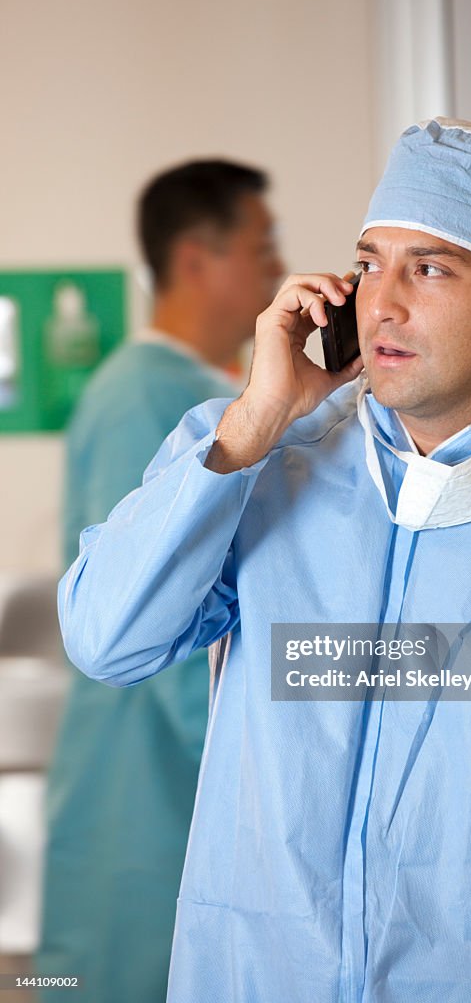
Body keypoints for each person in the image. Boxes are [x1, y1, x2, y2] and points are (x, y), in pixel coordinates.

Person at [57, 121, 471, 1002]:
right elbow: (106, 640)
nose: (380, 303)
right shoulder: (254, 460)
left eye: (428, 269)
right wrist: (256, 420)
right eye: (368, 262)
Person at [37, 160, 283, 1003]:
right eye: (261, 245)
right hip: (151, 789)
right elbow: (142, 610)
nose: (278, 269)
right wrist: (261, 777)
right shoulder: (143, 395)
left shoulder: (206, 393)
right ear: (193, 260)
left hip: (167, 780)